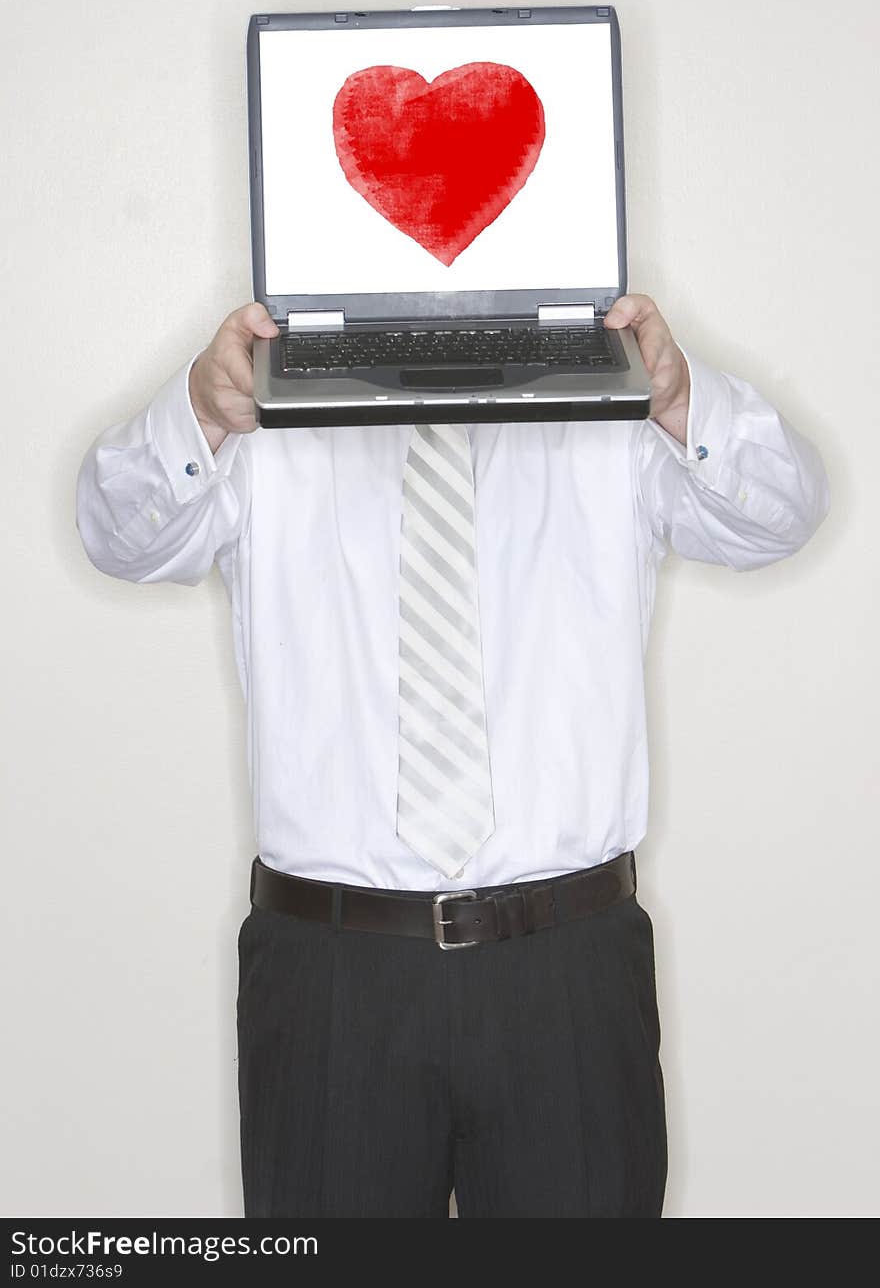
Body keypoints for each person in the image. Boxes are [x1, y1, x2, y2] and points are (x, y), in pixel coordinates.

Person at [75, 293, 830, 1218]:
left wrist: (679, 400)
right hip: (332, 981)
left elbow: (780, 515)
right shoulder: (266, 409)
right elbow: (119, 537)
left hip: (567, 974)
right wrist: (200, 407)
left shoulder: (608, 406)